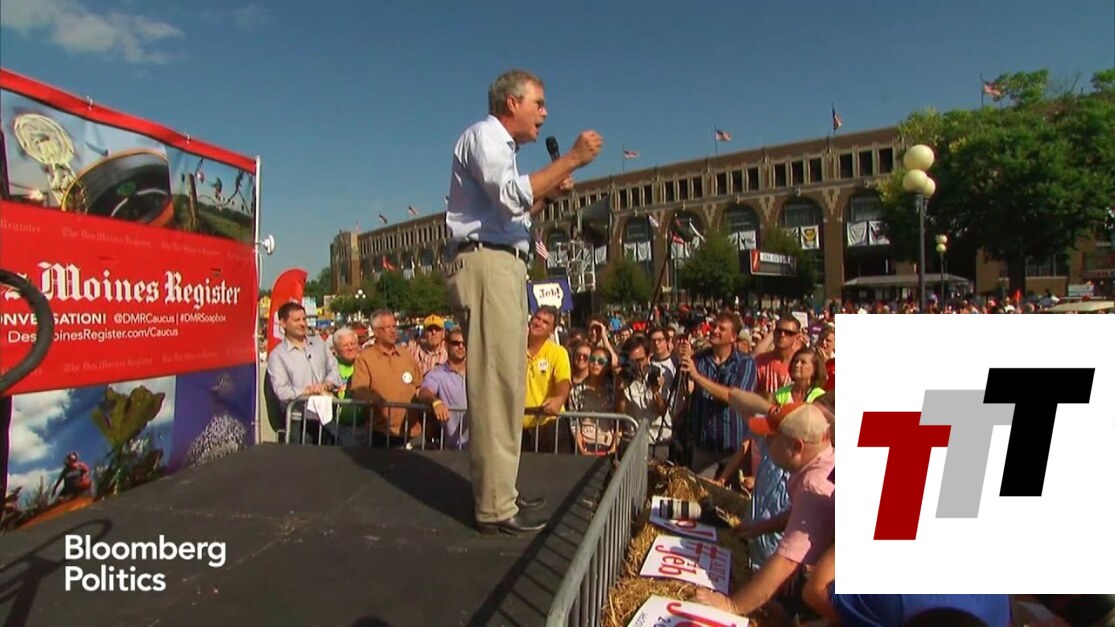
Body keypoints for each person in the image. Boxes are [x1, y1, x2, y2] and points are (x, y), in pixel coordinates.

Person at [444, 69, 602, 535]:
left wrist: (547, 196)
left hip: (503, 264)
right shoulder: (485, 137)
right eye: (539, 103)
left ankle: (503, 492)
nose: (545, 113)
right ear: (512, 103)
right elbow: (512, 196)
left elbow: (513, 212)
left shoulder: (503, 150)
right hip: (487, 266)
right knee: (496, 387)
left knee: (509, 384)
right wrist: (571, 159)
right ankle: (494, 507)